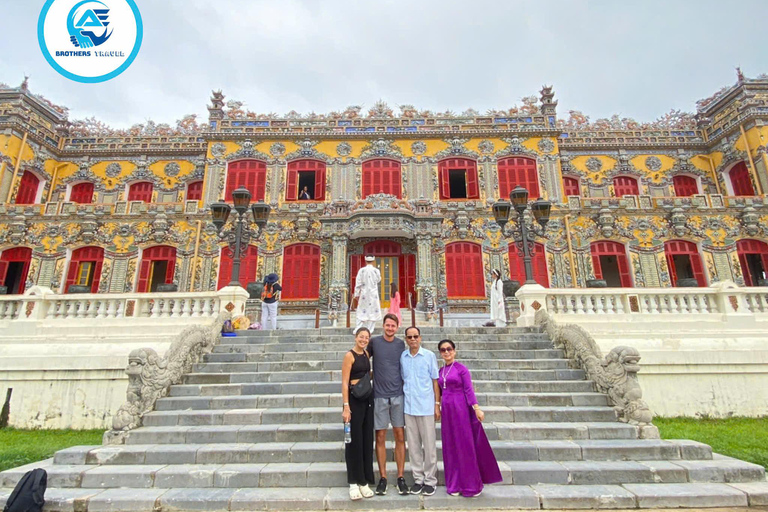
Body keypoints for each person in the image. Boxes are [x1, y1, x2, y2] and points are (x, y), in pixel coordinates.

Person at [437, 339, 502, 497]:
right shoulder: (440, 371)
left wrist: (477, 408)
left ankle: (471, 484)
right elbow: (438, 391)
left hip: (460, 410)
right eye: (443, 350)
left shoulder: (461, 369)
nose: (446, 352)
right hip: (447, 412)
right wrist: (437, 406)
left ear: (454, 350)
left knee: (464, 445)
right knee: (450, 446)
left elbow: (469, 390)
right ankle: (454, 484)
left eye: (449, 349)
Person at [367, 313, 408, 496]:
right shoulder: (374, 343)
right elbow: (362, 358)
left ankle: (400, 476)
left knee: (400, 435)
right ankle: (383, 477)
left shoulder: (401, 344)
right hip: (379, 396)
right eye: (387, 325)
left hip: (398, 395)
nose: (390, 328)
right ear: (382, 325)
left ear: (397, 327)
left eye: (393, 326)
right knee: (381, 436)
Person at [400, 326, 439, 496]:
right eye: (409, 337)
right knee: (413, 445)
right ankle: (418, 479)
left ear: (420, 338)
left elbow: (435, 381)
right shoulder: (403, 356)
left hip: (426, 406)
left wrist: (437, 404)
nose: (413, 339)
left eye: (415, 336)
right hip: (409, 406)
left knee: (429, 445)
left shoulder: (429, 356)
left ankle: (430, 480)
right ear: (406, 339)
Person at [341, 327, 375, 501]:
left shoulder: (366, 355)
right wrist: (346, 406)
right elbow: (345, 382)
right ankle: (353, 481)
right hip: (353, 401)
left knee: (366, 440)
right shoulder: (350, 356)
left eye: (366, 338)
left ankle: (364, 480)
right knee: (353, 441)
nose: (363, 340)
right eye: (361, 337)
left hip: (367, 401)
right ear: (355, 337)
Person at [352, 255, 382, 334]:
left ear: (365, 261)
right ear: (373, 261)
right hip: (373, 293)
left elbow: (358, 283)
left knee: (362, 310)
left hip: (364, 293)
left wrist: (356, 294)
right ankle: (370, 329)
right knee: (373, 310)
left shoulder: (362, 270)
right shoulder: (376, 270)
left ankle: (358, 328)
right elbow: (379, 279)